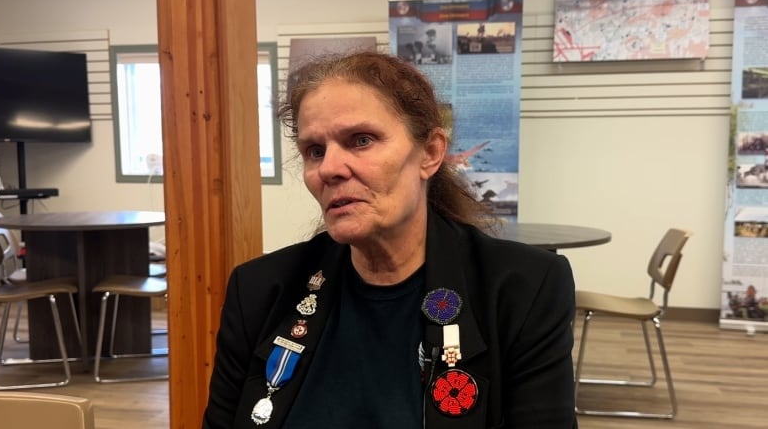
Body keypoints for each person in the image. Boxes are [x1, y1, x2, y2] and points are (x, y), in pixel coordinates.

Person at [202, 51, 578, 428]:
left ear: (430, 153)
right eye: (315, 151)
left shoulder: (522, 289)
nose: (329, 168)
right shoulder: (260, 289)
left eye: (361, 140)